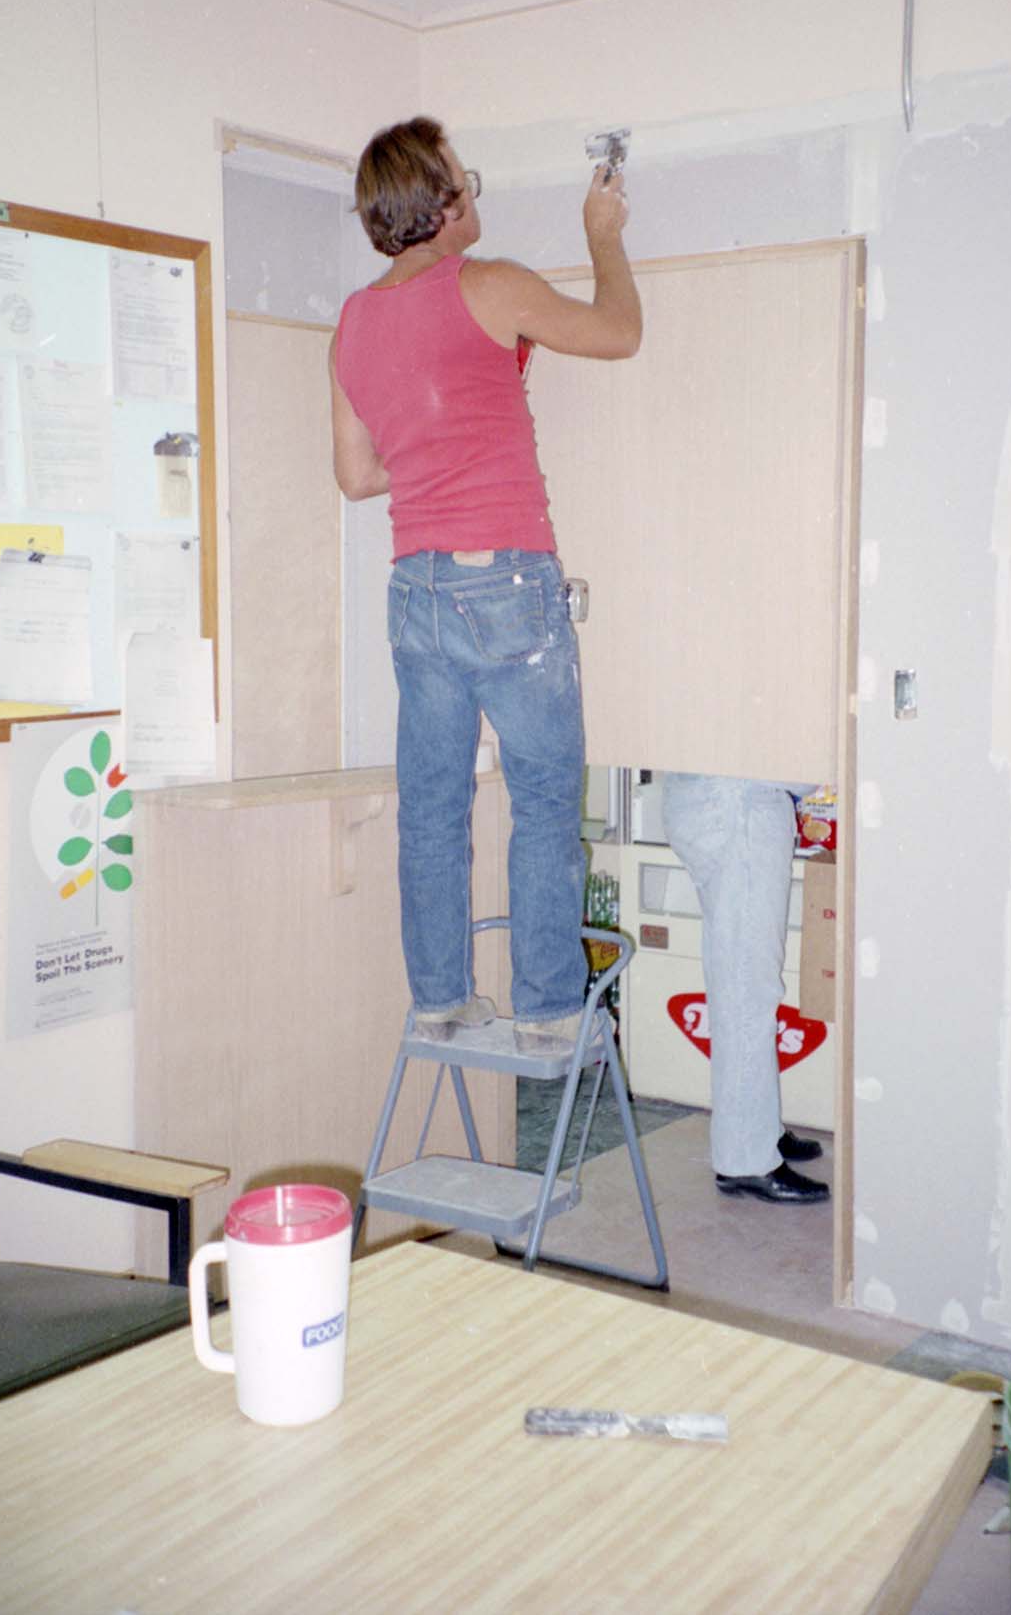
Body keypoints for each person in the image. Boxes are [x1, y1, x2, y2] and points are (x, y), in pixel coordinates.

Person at [330, 116, 641, 1042]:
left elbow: (355, 476)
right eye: (466, 180)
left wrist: (430, 452)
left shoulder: (352, 320)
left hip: (416, 588)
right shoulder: (490, 286)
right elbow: (620, 332)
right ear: (442, 202)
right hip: (506, 584)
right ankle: (548, 1014)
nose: (475, 194)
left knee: (433, 809)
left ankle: (439, 1001)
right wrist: (602, 239)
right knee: (543, 804)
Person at [661, 772, 831, 1205]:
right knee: (747, 987)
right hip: (740, 802)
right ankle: (747, 1159)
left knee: (737, 975)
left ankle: (759, 1130)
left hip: (716, 796)